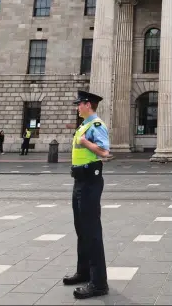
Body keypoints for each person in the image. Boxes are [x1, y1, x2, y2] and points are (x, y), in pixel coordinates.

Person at [63, 90, 110, 300]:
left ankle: (99, 283)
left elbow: (104, 152)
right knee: (81, 228)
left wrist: (85, 143)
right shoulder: (84, 125)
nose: (77, 107)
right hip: (80, 180)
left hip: (90, 181)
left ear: (88, 104)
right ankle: (84, 272)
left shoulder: (96, 125)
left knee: (91, 231)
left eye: (79, 104)